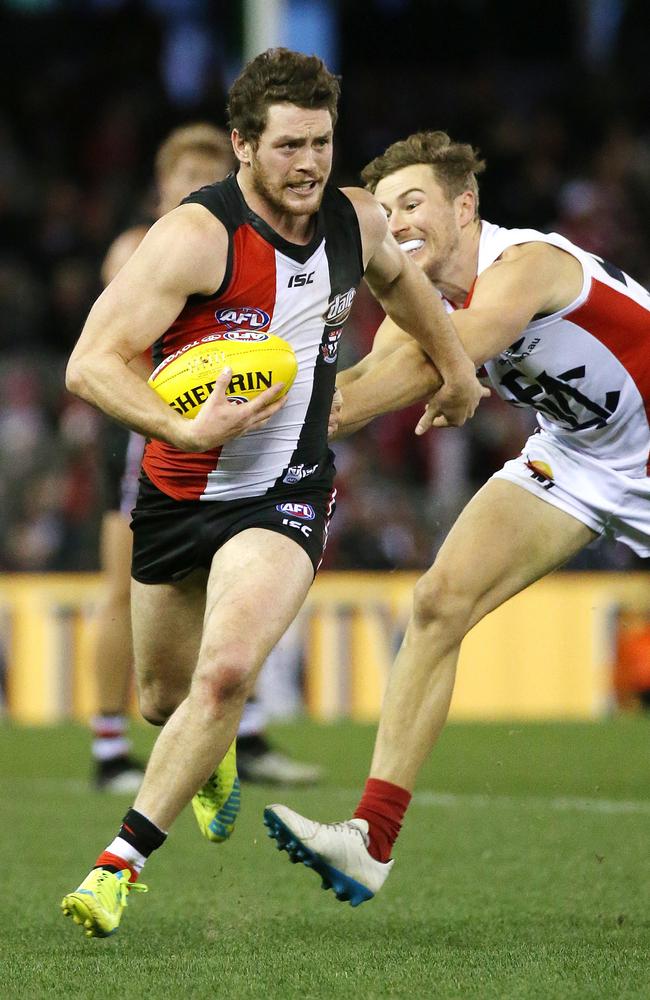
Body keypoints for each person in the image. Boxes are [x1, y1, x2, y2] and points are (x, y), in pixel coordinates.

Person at [61, 57, 483, 938]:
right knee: (161, 697)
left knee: (225, 675)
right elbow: (90, 363)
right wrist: (181, 431)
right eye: (288, 143)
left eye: (323, 141)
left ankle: (117, 866)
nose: (310, 162)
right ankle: (206, 754)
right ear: (245, 147)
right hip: (178, 491)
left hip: (287, 490)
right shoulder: (192, 239)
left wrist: (457, 370)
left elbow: (408, 289)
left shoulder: (354, 222)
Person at [264, 129, 650, 906]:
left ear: (465, 206)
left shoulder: (529, 263)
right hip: (583, 459)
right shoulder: (426, 303)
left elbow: (456, 346)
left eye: (417, 203)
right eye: (389, 210)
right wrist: (282, 408)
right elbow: (377, 370)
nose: (400, 222)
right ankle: (370, 840)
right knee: (437, 604)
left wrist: (302, 417)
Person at [92, 123, 322, 792]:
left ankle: (236, 735)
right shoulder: (140, 249)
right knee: (124, 593)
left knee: (240, 584)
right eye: (182, 177)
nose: (196, 188)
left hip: (243, 436)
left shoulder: (249, 248)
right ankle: (109, 746)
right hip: (152, 434)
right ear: (159, 188)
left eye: (207, 174)